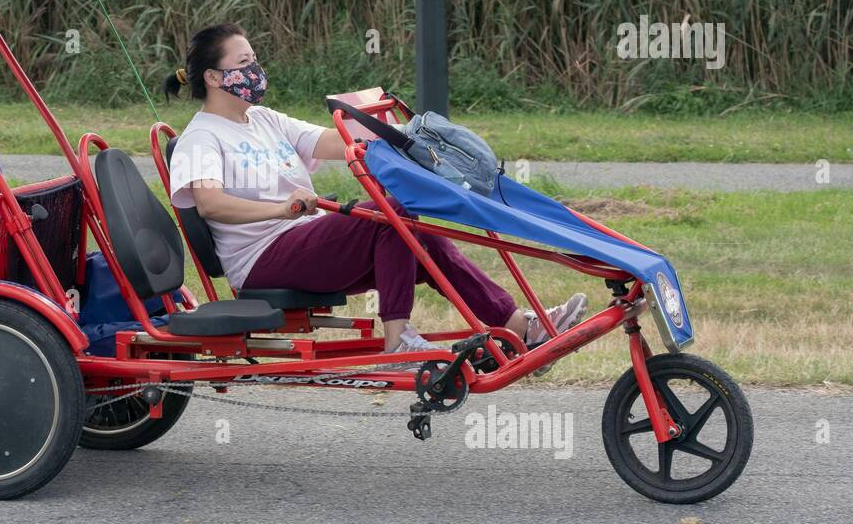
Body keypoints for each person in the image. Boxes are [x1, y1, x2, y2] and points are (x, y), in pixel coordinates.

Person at [164, 22, 587, 357]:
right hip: (262, 257)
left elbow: (335, 141)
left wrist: (404, 135)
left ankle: (518, 329)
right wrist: (280, 208)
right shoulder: (202, 137)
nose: (255, 70)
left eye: (255, 59)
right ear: (215, 77)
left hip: (300, 240)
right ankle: (398, 337)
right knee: (393, 214)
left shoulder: (264, 119)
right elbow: (211, 203)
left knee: (423, 239)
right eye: (244, 61)